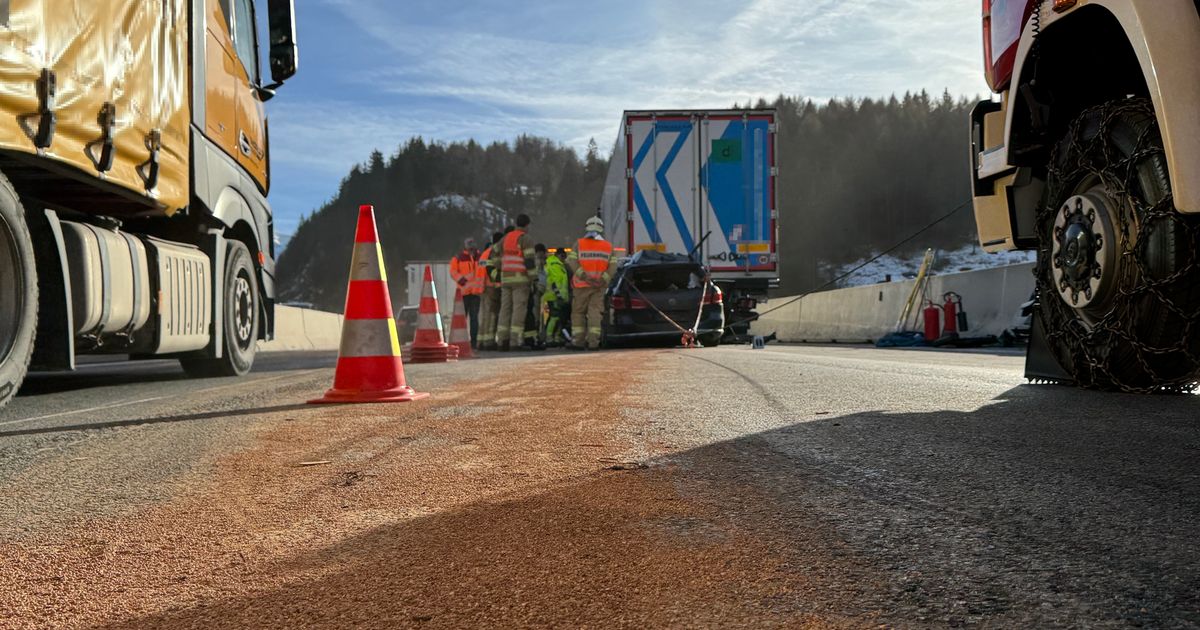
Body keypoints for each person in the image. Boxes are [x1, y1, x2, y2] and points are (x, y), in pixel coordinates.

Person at [567, 216, 617, 351]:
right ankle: (593, 343)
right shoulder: (608, 247)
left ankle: (578, 342)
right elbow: (613, 267)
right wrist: (603, 279)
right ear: (601, 229)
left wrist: (585, 277)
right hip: (599, 287)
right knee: (595, 313)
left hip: (581, 286)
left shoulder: (578, 244)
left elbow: (572, 262)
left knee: (578, 313)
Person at [497, 214, 537, 351]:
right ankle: (515, 341)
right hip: (520, 280)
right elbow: (529, 261)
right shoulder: (526, 239)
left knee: (505, 309)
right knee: (518, 311)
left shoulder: (506, 238)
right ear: (527, 225)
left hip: (506, 279)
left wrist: (500, 267)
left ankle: (502, 341)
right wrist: (534, 279)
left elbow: (494, 253)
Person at [449, 237, 482, 345]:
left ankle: (473, 342)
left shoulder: (479, 257)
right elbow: (453, 272)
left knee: (474, 318)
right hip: (463, 294)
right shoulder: (458, 258)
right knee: (463, 319)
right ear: (465, 246)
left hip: (475, 293)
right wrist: (461, 280)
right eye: (469, 245)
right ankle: (461, 341)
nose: (471, 247)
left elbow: (483, 270)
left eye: (472, 245)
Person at [476, 231, 504, 350]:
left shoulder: (485, 253)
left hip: (483, 288)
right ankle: (489, 341)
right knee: (492, 315)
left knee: (485, 316)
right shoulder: (494, 253)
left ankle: (481, 341)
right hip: (492, 287)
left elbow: (480, 271)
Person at [542, 246, 570, 346]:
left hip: (556, 295)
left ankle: (556, 337)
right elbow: (555, 281)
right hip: (554, 295)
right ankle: (549, 337)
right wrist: (559, 295)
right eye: (563, 257)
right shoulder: (554, 264)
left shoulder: (556, 264)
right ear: (559, 255)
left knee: (558, 317)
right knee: (555, 316)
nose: (564, 259)